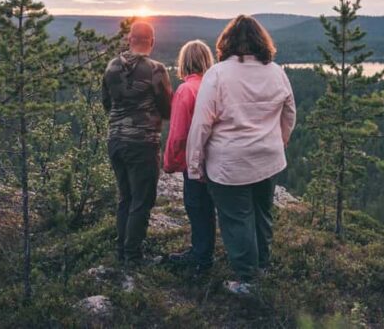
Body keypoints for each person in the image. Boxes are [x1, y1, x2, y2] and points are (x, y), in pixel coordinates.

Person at [186, 15, 296, 294]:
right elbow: (289, 113)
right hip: (268, 159)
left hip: (230, 164)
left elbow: (201, 124)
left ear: (227, 42)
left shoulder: (218, 74)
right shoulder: (276, 71)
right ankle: (261, 266)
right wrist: (280, 141)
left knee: (237, 219)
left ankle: (247, 281)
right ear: (262, 41)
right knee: (262, 214)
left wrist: (194, 165)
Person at [102, 21, 173, 266]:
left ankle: (122, 251)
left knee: (126, 197)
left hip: (115, 141)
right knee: (142, 200)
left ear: (129, 39)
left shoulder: (111, 67)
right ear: (151, 42)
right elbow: (167, 108)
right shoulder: (156, 70)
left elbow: (106, 104)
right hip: (142, 143)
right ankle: (133, 257)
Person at [163, 40, 217, 275]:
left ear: (184, 62)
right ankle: (201, 251)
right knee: (208, 208)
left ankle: (201, 258)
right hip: (217, 157)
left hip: (194, 160)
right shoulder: (213, 85)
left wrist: (170, 162)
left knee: (196, 207)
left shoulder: (186, 90)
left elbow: (178, 133)